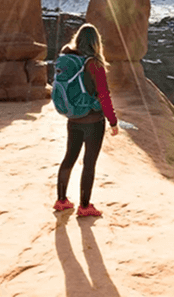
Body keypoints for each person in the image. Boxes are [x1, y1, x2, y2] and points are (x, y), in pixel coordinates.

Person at [53, 23, 119, 217]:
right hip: (93, 121)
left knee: (69, 158)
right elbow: (104, 95)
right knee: (89, 163)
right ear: (96, 42)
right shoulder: (94, 64)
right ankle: (84, 206)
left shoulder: (68, 58)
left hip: (73, 118)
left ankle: (61, 200)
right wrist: (113, 121)